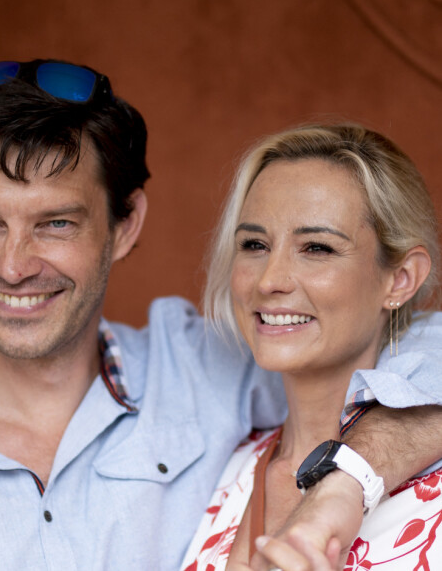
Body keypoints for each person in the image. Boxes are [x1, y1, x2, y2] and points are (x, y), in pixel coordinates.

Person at [0, 61, 441, 570]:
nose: (13, 267)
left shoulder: (206, 370)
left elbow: (411, 345)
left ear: (125, 224)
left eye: (56, 224)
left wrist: (346, 483)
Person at [181, 123, 442, 571]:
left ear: (400, 279)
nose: (269, 280)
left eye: (317, 248)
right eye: (254, 245)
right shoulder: (219, 468)